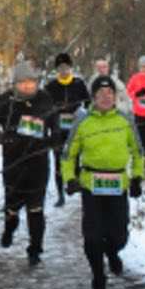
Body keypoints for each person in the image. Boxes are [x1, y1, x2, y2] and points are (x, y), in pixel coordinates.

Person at [62, 74, 145, 289]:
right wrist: (70, 179)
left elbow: (138, 152)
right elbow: (68, 155)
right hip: (91, 185)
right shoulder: (83, 120)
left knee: (119, 235)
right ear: (93, 97)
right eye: (101, 94)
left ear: (116, 96)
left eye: (110, 94)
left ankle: (112, 252)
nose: (106, 98)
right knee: (92, 236)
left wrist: (137, 177)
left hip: (118, 185)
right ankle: (98, 278)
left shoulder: (125, 119)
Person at [0, 60, 59, 264]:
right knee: (12, 207)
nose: (27, 86)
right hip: (13, 163)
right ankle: (9, 229)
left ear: (37, 83)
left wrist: (52, 142)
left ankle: (35, 249)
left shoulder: (45, 99)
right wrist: (3, 138)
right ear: (14, 84)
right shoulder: (5, 100)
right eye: (22, 83)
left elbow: (56, 126)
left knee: (36, 209)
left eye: (31, 82)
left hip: (38, 163)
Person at [43, 52, 90, 207]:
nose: (64, 71)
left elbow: (88, 102)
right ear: (57, 69)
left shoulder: (79, 83)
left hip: (75, 129)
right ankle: (60, 196)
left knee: (75, 159)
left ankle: (74, 185)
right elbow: (44, 109)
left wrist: (86, 117)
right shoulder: (50, 86)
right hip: (57, 130)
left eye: (66, 67)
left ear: (71, 68)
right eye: (61, 68)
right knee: (58, 162)